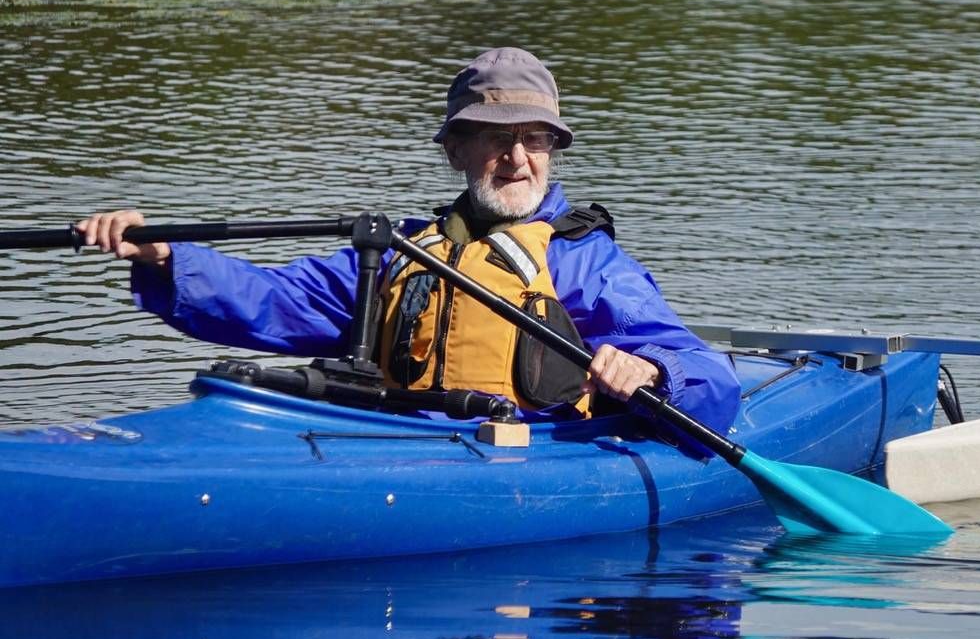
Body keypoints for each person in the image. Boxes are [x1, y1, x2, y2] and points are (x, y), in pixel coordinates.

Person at [78, 47, 740, 431]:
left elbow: (709, 378)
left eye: (534, 140)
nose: (517, 159)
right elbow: (274, 300)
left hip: (526, 458)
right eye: (494, 138)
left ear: (552, 151)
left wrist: (652, 369)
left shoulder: (584, 262)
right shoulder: (403, 254)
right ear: (456, 151)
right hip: (396, 441)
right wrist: (163, 254)